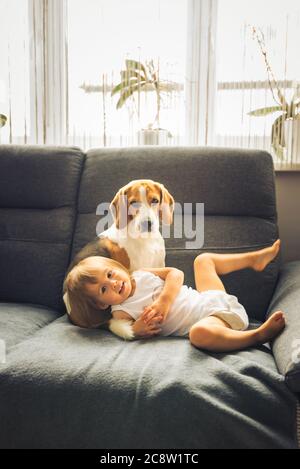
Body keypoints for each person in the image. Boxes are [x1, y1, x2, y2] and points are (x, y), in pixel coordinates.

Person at [64, 239, 285, 352]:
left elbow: (176, 274)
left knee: (203, 260)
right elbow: (129, 332)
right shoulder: (121, 313)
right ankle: (256, 336)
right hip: (214, 321)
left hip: (210, 298)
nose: (113, 283)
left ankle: (254, 259)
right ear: (101, 305)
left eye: (110, 274)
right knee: (198, 335)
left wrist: (165, 300)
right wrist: (137, 331)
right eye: (104, 289)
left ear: (117, 267)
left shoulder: (141, 274)